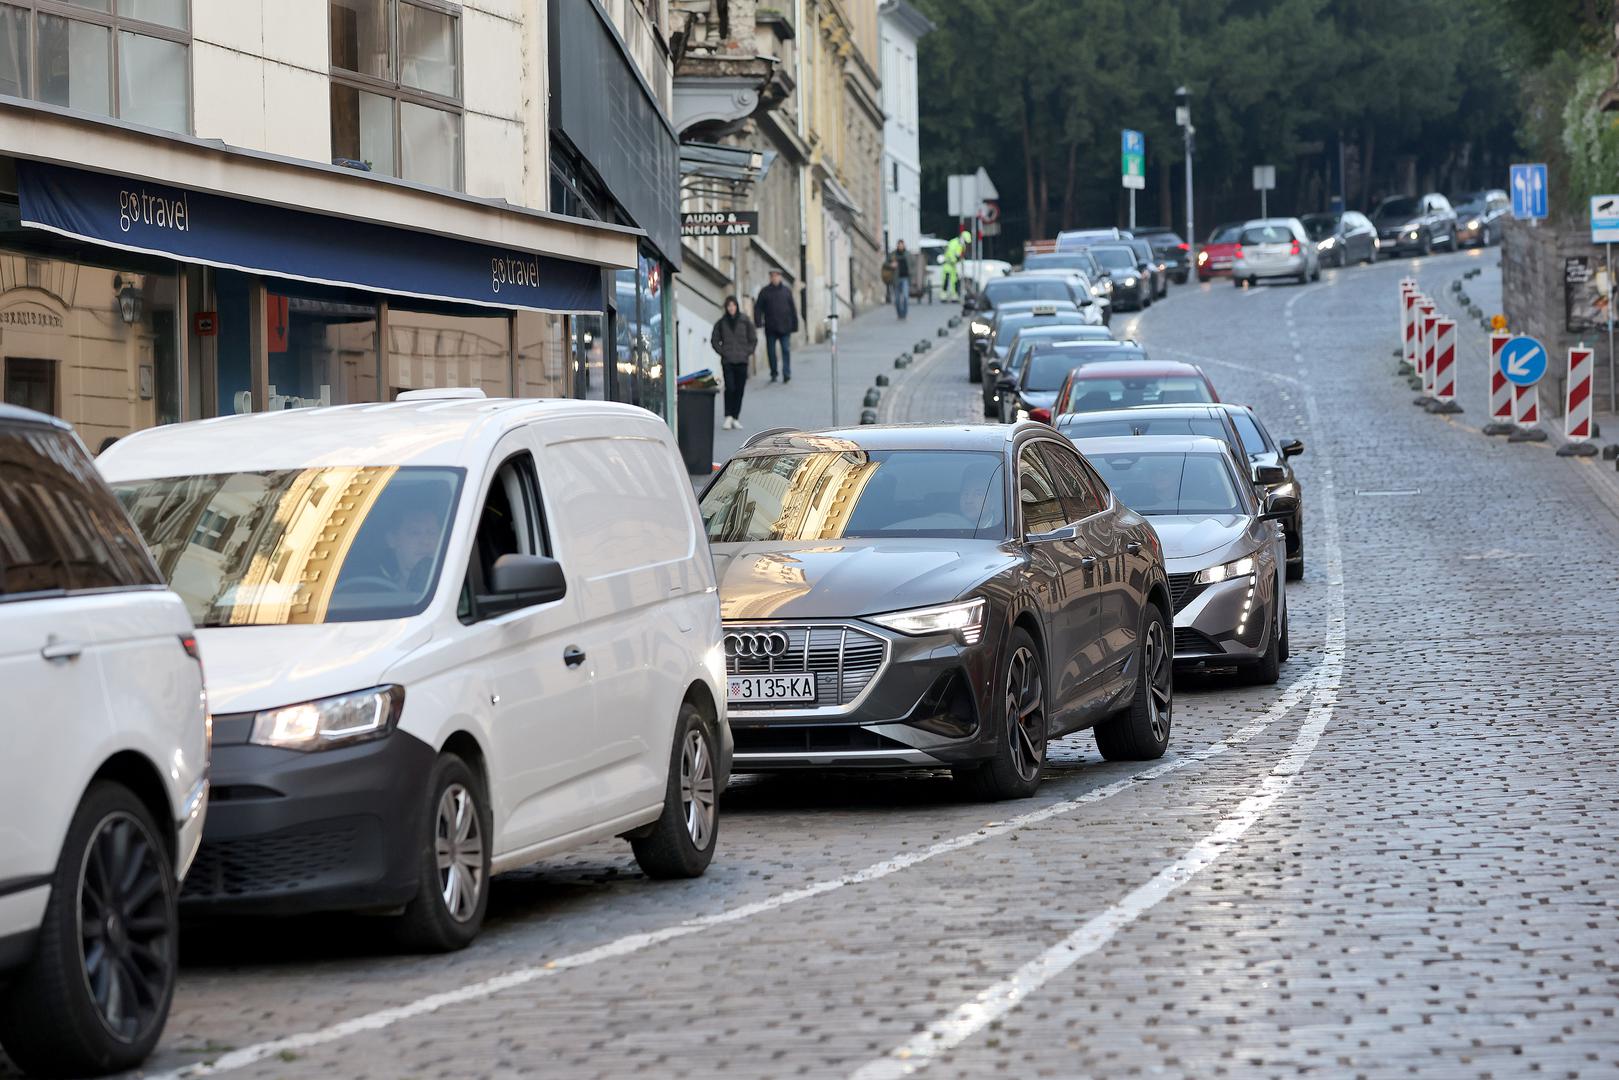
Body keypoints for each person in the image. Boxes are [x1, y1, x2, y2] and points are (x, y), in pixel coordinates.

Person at [712, 295, 757, 430]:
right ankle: (728, 417)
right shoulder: (721, 322)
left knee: (739, 389)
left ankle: (735, 417)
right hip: (728, 361)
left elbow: (753, 339)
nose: (731, 308)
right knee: (730, 388)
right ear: (726, 308)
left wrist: (747, 352)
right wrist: (723, 352)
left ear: (737, 306)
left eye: (733, 305)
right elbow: (714, 340)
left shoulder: (745, 320)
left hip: (742, 361)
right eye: (729, 306)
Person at [379, 507, 442, 593]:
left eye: (431, 532)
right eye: (415, 533)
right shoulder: (375, 593)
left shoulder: (456, 584)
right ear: (392, 540)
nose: (426, 541)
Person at [753, 268, 799, 383]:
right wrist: (758, 322)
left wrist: (795, 324)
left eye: (776, 276)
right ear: (770, 278)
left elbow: (792, 309)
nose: (774, 278)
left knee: (786, 350)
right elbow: (758, 308)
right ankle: (774, 372)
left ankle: (786, 373)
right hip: (771, 327)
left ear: (780, 277)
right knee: (771, 352)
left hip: (785, 327)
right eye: (772, 276)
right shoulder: (764, 292)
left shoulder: (786, 291)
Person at [941, 229, 969, 301]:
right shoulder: (953, 242)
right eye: (965, 241)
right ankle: (943, 295)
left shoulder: (962, 245)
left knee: (954, 281)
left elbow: (961, 255)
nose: (966, 243)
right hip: (948, 265)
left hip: (955, 266)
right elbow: (950, 253)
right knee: (946, 280)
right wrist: (954, 259)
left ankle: (954, 295)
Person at [889, 239, 912, 319]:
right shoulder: (893, 254)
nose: (900, 246)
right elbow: (886, 264)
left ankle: (904, 314)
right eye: (899, 245)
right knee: (897, 299)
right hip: (896, 279)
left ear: (904, 245)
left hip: (905, 278)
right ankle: (899, 314)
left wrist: (911, 274)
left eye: (902, 245)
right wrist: (891, 265)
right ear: (897, 246)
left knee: (905, 297)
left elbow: (913, 265)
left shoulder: (908, 254)